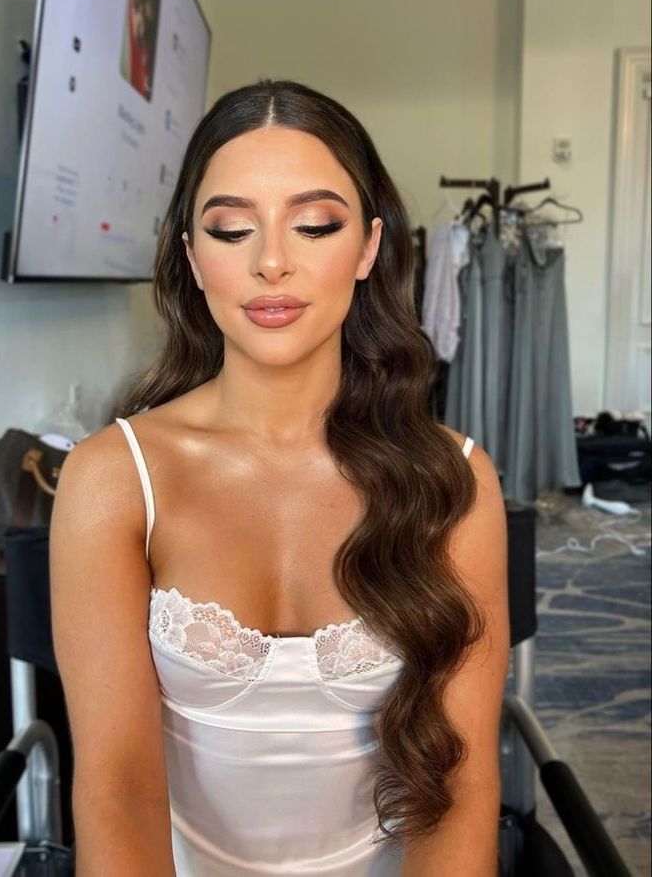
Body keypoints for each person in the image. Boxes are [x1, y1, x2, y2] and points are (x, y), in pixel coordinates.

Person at [49, 79, 510, 876]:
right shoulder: (113, 479)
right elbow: (118, 787)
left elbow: (461, 784)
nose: (271, 262)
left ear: (367, 247)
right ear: (192, 256)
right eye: (231, 230)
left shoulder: (454, 480)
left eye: (313, 223)